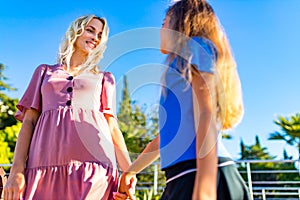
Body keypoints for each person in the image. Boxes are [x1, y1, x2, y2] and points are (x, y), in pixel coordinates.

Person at [114, 0, 251, 200]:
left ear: (180, 23)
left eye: (164, 22)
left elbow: (207, 114)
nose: (160, 29)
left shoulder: (195, 47)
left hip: (203, 173)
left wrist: (206, 188)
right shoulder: (176, 67)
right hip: (182, 176)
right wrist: (130, 171)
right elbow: (164, 140)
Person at [3, 14, 133, 200]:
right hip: (43, 167)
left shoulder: (105, 78)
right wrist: (17, 170)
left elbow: (112, 127)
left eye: (100, 35)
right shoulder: (44, 72)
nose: (95, 38)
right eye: (90, 30)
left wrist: (129, 171)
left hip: (94, 168)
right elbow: (29, 122)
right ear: (76, 31)